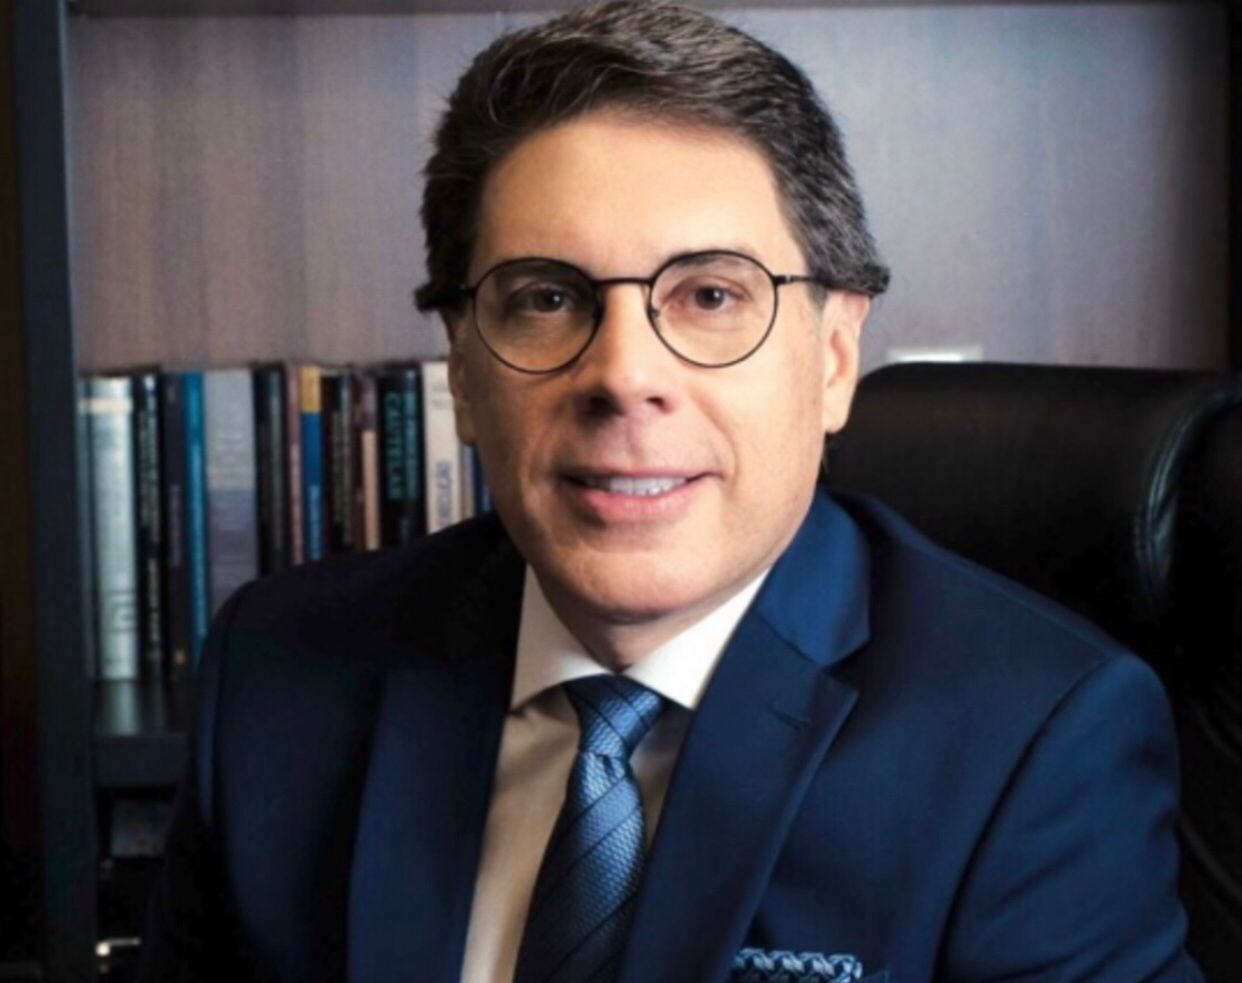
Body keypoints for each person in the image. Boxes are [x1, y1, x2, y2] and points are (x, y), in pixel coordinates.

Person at [140, 2, 1201, 981]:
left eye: (711, 295)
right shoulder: (280, 674)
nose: (623, 375)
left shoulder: (1037, 741)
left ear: (835, 359)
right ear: (461, 369)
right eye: (546, 298)